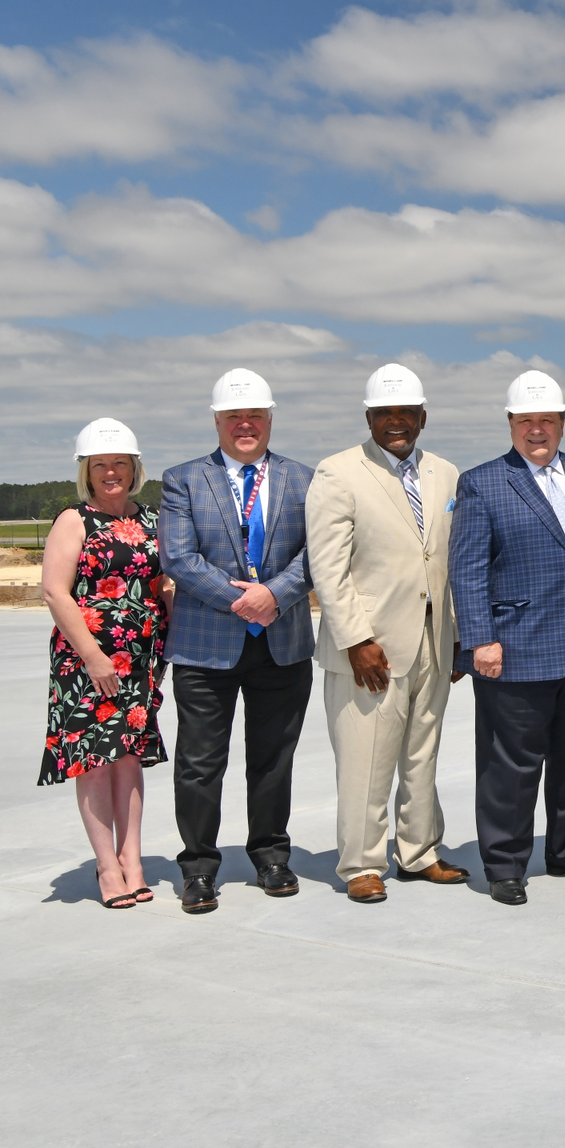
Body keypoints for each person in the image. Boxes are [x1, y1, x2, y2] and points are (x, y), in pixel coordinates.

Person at [306, 364, 468, 903]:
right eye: (384, 413)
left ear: (423, 417)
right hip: (369, 647)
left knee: (423, 754)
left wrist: (457, 634)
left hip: (433, 640)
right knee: (366, 762)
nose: (396, 422)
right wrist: (356, 640)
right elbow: (328, 568)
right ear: (368, 417)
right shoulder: (337, 473)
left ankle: (420, 852)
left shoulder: (445, 473)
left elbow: (449, 558)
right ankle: (361, 864)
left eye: (406, 413)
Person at [450, 371, 565, 907]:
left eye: (546, 420)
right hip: (513, 647)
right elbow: (467, 568)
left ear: (563, 423)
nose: (536, 430)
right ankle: (505, 865)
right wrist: (480, 639)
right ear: (510, 424)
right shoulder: (482, 482)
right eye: (525, 421)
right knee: (510, 765)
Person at [158, 369, 315, 915]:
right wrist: (242, 601)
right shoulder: (183, 480)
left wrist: (276, 595)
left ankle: (271, 857)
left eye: (254, 416)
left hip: (282, 643)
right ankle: (199, 868)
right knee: (200, 763)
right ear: (217, 421)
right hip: (205, 646)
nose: (244, 425)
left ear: (270, 419)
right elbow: (178, 557)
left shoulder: (304, 479)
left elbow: (319, 552)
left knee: (273, 760)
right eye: (233, 417)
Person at [40, 419, 172, 909]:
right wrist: (94, 657)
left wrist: (169, 647)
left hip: (140, 659)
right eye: (100, 465)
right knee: (93, 761)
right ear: (87, 471)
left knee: (129, 758)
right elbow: (55, 592)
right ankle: (106, 866)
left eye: (119, 463)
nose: (111, 472)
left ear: (134, 468)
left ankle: (132, 860)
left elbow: (165, 585)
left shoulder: (154, 519)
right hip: (85, 661)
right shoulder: (74, 520)